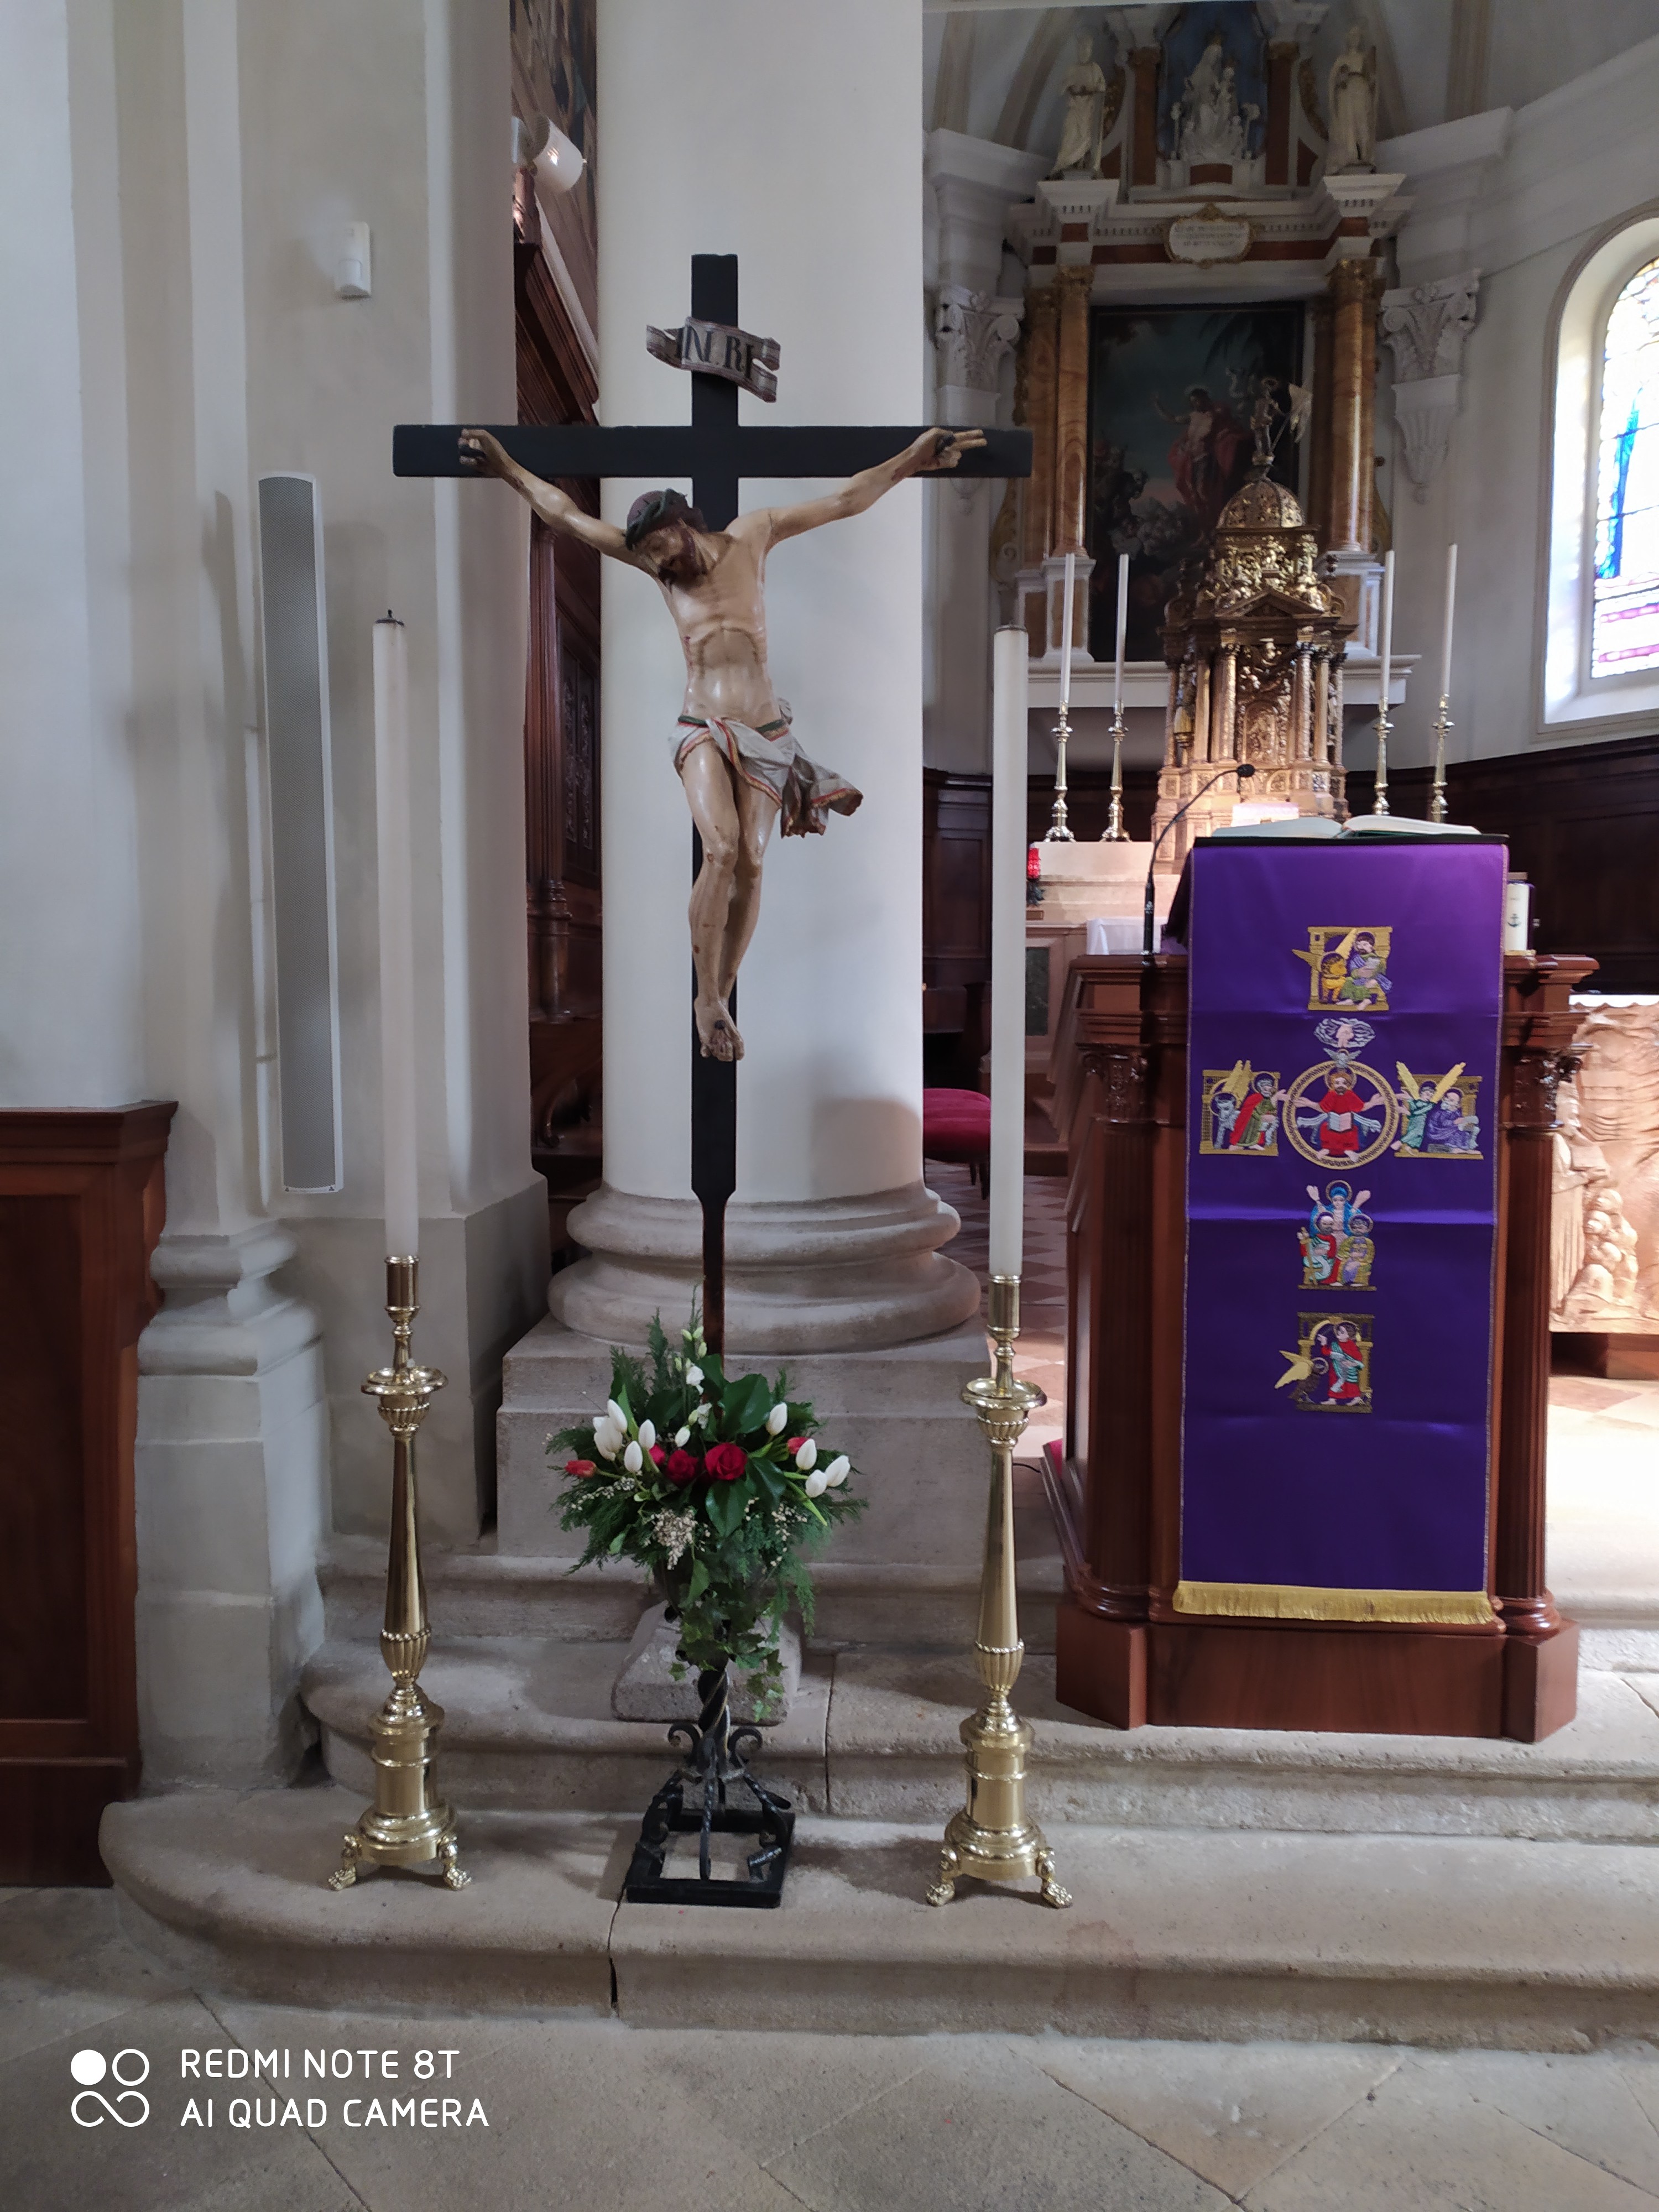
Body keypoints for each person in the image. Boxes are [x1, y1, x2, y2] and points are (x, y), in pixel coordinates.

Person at [460, 424, 985, 1060]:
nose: (659, 564)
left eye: (661, 547)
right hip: (702, 725)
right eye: (649, 556)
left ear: (683, 526)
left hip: (764, 731)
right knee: (721, 846)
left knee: (753, 861)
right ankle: (705, 997)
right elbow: (567, 517)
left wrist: (911, 462)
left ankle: (721, 996)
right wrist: (510, 471)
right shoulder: (656, 569)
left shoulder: (753, 536)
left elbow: (845, 500)